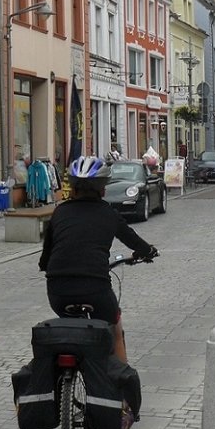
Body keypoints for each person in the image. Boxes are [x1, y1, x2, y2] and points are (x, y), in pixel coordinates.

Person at [38, 155, 158, 365]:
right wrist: (148, 251)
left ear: (72, 189)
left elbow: (46, 256)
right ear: (103, 189)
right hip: (96, 290)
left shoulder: (59, 213)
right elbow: (134, 241)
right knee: (115, 331)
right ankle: (122, 389)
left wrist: (49, 265)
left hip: (58, 291)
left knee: (66, 324)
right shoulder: (108, 214)